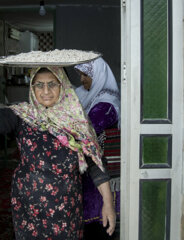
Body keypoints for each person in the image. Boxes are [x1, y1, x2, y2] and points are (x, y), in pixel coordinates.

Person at [0, 56, 116, 239]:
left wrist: (108, 203)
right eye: (39, 85)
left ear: (63, 85)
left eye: (52, 84)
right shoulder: (22, 115)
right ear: (32, 88)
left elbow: (96, 163)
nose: (46, 91)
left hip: (66, 208)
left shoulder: (77, 122)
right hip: (29, 207)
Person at [74, 57, 120, 238]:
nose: (82, 80)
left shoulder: (107, 104)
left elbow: (85, 131)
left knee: (97, 225)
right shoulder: (85, 94)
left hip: (97, 174)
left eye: (85, 75)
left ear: (99, 76)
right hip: (82, 170)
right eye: (80, 75)